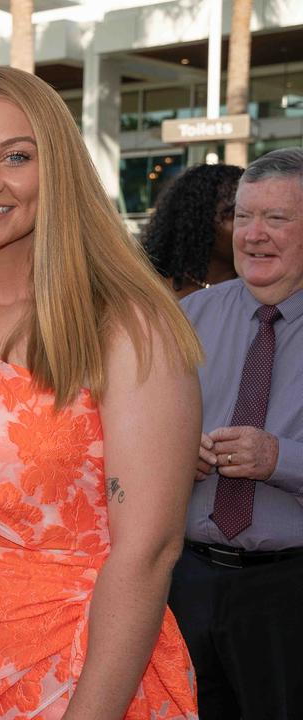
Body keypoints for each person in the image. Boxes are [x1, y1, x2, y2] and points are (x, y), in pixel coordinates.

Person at [0, 67, 202, 719]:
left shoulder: (127, 324)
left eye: (16, 156)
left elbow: (148, 552)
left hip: (73, 676)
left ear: (61, 167)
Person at [167, 148, 303, 719]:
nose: (254, 235)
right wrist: (176, 453)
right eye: (244, 216)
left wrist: (280, 458)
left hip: (289, 590)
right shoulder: (186, 317)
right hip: (187, 579)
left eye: (276, 219)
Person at [144, 163, 243, 297]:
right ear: (199, 221)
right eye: (236, 215)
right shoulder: (158, 294)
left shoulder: (266, 292)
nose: (253, 228)